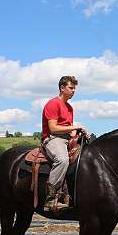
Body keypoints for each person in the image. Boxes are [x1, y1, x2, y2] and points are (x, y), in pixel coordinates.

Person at [41, 76, 85, 211]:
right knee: (62, 159)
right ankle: (50, 198)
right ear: (62, 88)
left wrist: (78, 133)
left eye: (74, 88)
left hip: (67, 139)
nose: (73, 91)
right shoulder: (53, 104)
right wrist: (73, 127)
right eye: (71, 88)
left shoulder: (69, 108)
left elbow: (69, 130)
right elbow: (53, 128)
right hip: (53, 138)